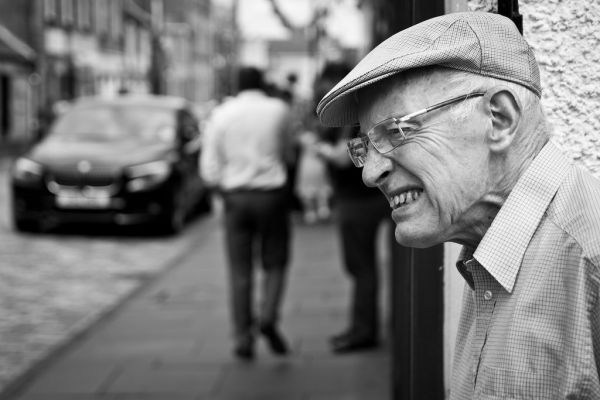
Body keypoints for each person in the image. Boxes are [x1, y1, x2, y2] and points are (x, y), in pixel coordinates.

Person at [316, 12, 600, 398]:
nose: (371, 172)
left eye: (397, 130)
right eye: (365, 146)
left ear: (499, 119)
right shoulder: (493, 242)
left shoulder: (589, 257)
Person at [201, 66, 295, 361]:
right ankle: (268, 317)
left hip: (236, 197)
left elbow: (209, 167)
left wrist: (222, 187)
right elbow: (289, 153)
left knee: (240, 270)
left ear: (237, 85)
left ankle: (243, 337)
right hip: (271, 195)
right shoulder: (278, 109)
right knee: (276, 261)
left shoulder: (221, 113)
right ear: (262, 84)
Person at [313, 62, 389, 354]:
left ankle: (363, 331)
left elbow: (352, 158)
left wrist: (323, 151)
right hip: (357, 201)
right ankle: (360, 328)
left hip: (360, 203)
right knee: (360, 267)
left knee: (361, 268)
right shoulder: (357, 111)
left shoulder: (358, 116)